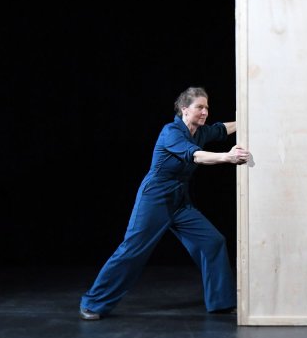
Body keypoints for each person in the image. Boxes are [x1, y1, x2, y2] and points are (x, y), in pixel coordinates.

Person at [79, 86, 250, 320]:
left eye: (207, 108)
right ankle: (93, 303)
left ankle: (221, 302)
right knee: (132, 250)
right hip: (155, 197)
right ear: (184, 109)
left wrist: (247, 118)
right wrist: (227, 157)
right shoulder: (171, 132)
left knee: (212, 241)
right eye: (200, 107)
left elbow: (222, 129)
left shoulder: (200, 132)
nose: (205, 112)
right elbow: (195, 156)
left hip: (179, 200)